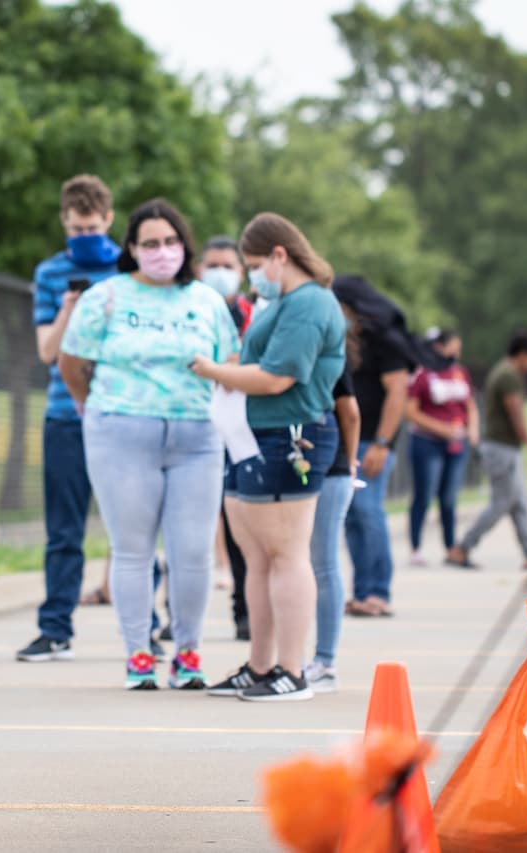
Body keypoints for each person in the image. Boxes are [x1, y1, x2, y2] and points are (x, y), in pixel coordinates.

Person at [58, 198, 236, 690]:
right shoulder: (106, 297)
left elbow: (230, 362)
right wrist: (91, 406)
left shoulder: (206, 301)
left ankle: (188, 654)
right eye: (151, 243)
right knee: (133, 549)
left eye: (171, 241)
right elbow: (71, 362)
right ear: (133, 249)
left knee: (193, 551)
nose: (163, 251)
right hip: (121, 434)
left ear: (185, 245)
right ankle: (138, 653)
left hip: (197, 436)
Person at [196, 212, 344, 703]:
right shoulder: (281, 302)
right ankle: (260, 665)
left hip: (291, 435)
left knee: (286, 554)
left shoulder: (310, 302)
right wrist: (230, 366)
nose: (253, 275)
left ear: (281, 255)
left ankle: (291, 670)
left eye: (257, 264)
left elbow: (278, 377)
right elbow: (255, 360)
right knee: (256, 557)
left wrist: (213, 370)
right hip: (252, 436)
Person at [16, 174, 121, 663]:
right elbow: (46, 350)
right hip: (65, 415)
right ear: (64, 223)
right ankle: (55, 629)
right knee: (64, 531)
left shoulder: (128, 268)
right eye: (77, 229)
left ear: (109, 220)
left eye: (93, 228)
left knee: (133, 529)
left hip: (121, 411)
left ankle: (148, 630)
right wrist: (68, 311)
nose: (85, 237)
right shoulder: (51, 273)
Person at [331, 275, 412, 617]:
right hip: (346, 440)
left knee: (368, 509)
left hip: (372, 441)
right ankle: (362, 590)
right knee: (351, 516)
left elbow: (398, 391)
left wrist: (382, 442)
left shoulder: (386, 342)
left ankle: (379, 590)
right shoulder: (343, 339)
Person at [447, 332, 527, 570]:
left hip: (507, 448)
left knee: (520, 501)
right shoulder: (509, 376)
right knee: (502, 502)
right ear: (523, 354)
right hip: (501, 449)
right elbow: (516, 415)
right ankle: (463, 547)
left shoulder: (504, 372)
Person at [199, 235, 253, 641]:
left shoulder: (254, 315)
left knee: (239, 525)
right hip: (196, 424)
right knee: (189, 523)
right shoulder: (191, 310)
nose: (219, 273)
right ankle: (176, 616)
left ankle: (244, 612)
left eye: (227, 266)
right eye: (212, 265)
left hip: (240, 430)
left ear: (241, 272)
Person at [303, 356, 361, 695]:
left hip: (330, 469)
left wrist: (349, 462)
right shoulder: (325, 355)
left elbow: (350, 413)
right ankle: (312, 660)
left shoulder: (329, 359)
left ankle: (324, 661)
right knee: (314, 566)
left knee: (322, 565)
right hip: (324, 467)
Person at [405, 329, 479, 566]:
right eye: (453, 348)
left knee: (449, 498)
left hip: (456, 443)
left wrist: (472, 430)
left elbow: (470, 406)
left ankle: (450, 547)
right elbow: (410, 411)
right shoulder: (423, 373)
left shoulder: (459, 372)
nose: (456, 353)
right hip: (427, 442)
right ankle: (416, 547)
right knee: (424, 495)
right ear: (438, 347)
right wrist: (441, 428)